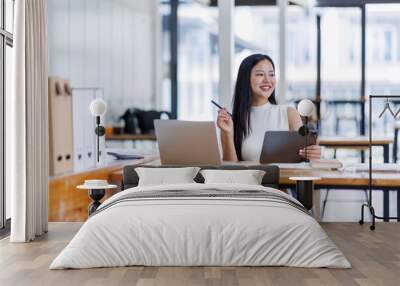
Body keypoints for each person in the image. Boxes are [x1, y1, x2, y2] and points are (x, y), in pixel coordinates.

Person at [217, 53, 321, 162]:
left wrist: (312, 153)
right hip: (251, 179)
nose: (267, 80)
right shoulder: (232, 121)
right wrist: (228, 133)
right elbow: (231, 168)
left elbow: (302, 158)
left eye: (271, 74)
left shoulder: (289, 114)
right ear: (245, 79)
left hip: (283, 179)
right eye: (260, 74)